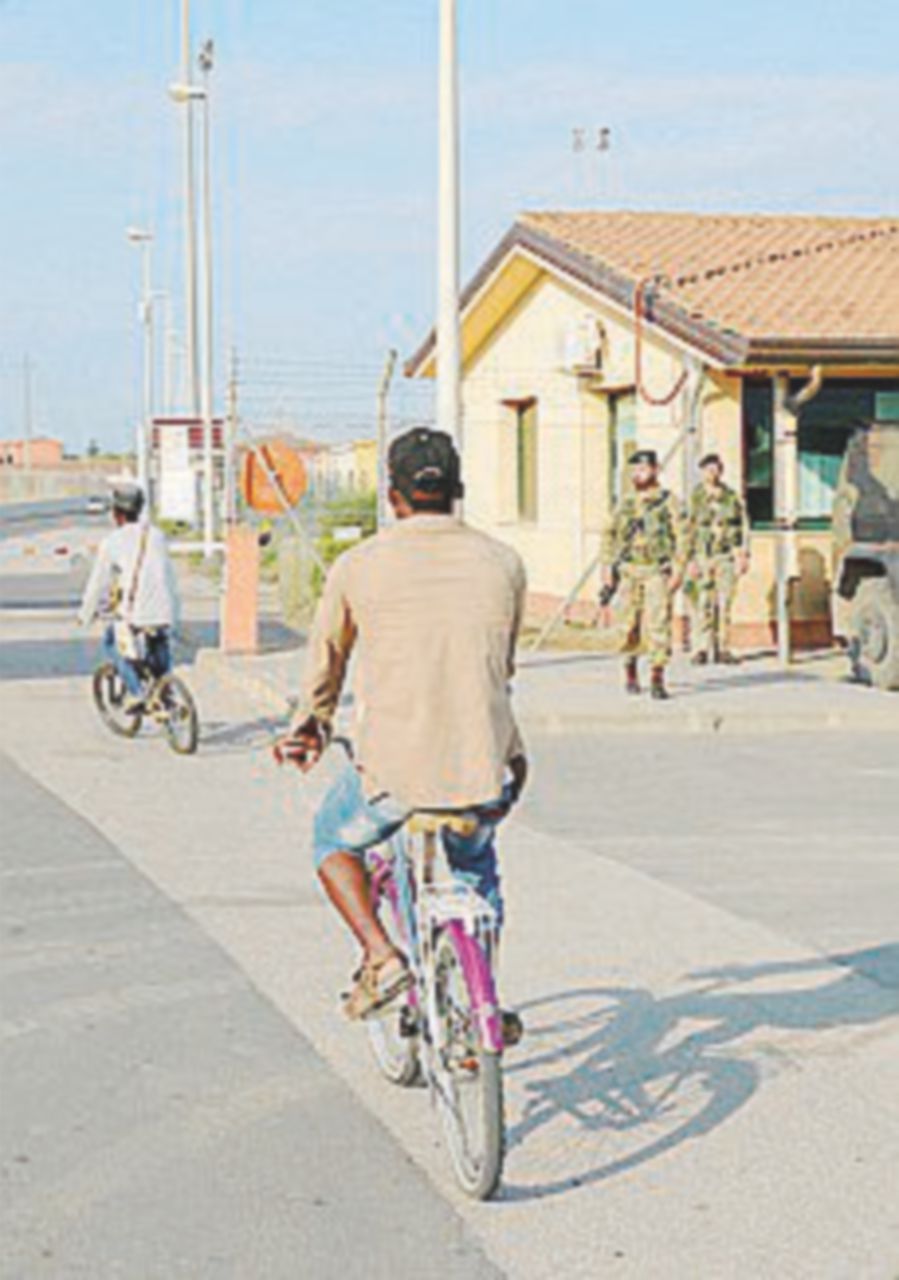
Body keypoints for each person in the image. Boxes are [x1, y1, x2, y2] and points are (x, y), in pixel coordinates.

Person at [275, 427, 528, 1029]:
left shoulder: (358, 566)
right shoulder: (505, 564)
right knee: (475, 865)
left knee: (332, 842)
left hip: (394, 777)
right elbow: (504, 665)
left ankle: (382, 956)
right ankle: (477, 995)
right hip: (486, 771)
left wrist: (309, 728)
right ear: (457, 491)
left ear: (393, 496)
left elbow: (325, 665)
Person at [78, 484, 180, 711]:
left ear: (117, 513)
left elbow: (99, 582)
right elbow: (167, 574)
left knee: (111, 642)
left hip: (136, 611)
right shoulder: (157, 535)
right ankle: (166, 691)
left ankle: (137, 692)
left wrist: (86, 613)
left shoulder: (113, 542)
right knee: (159, 641)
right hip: (166, 608)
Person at [601, 449, 687, 700]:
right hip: (628, 571)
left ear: (655, 470)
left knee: (658, 623)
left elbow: (683, 537)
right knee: (628, 624)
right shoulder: (625, 503)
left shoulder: (669, 501)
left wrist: (679, 569)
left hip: (655, 571)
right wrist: (607, 568)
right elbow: (609, 534)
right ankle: (630, 670)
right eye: (635, 470)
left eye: (644, 469)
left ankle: (657, 676)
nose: (639, 474)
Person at [685, 453, 750, 665]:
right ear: (702, 472)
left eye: (715, 469)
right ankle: (701, 647)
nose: (712, 474)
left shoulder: (731, 497)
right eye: (707, 469)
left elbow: (742, 526)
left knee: (725, 603)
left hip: (725, 556)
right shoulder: (694, 498)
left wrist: (743, 554)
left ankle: (723, 648)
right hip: (702, 556)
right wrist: (689, 560)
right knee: (702, 603)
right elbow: (687, 530)